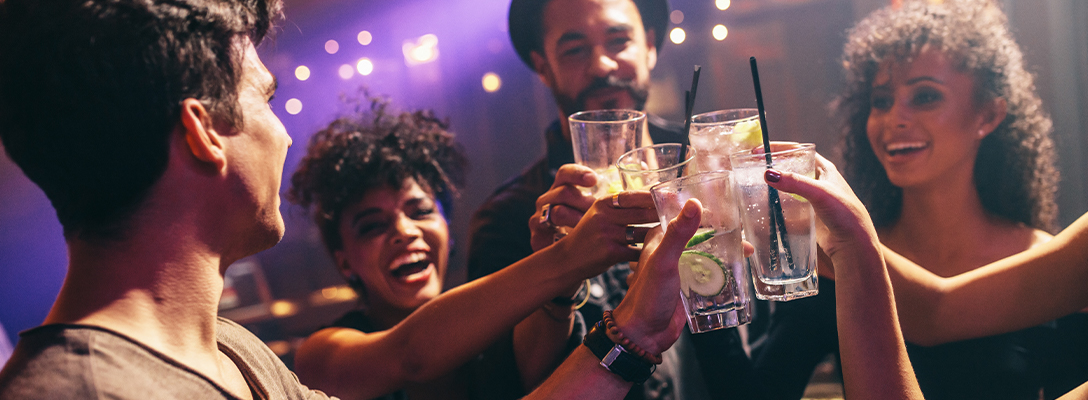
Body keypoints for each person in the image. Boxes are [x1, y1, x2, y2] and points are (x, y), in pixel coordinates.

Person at [750, 1, 1085, 398]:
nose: (896, 118)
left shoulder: (1047, 259)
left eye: (925, 97)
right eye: (881, 101)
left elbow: (934, 313)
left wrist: (844, 239)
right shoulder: (826, 267)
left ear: (989, 115)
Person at [0, 0, 332, 398]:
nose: (286, 136)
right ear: (204, 131)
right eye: (266, 100)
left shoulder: (232, 350)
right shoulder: (79, 392)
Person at [287, 98, 661, 400]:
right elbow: (410, 356)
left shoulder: (494, 328)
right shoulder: (320, 355)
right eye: (372, 226)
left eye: (420, 211)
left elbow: (543, 377)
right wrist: (565, 259)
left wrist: (564, 274)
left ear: (448, 229)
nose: (404, 231)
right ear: (344, 260)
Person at [468, 0, 741, 398]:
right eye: (575, 49)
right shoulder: (511, 216)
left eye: (618, 41)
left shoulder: (707, 169)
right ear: (543, 65)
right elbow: (509, 383)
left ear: (648, 45)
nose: (602, 66)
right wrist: (560, 269)